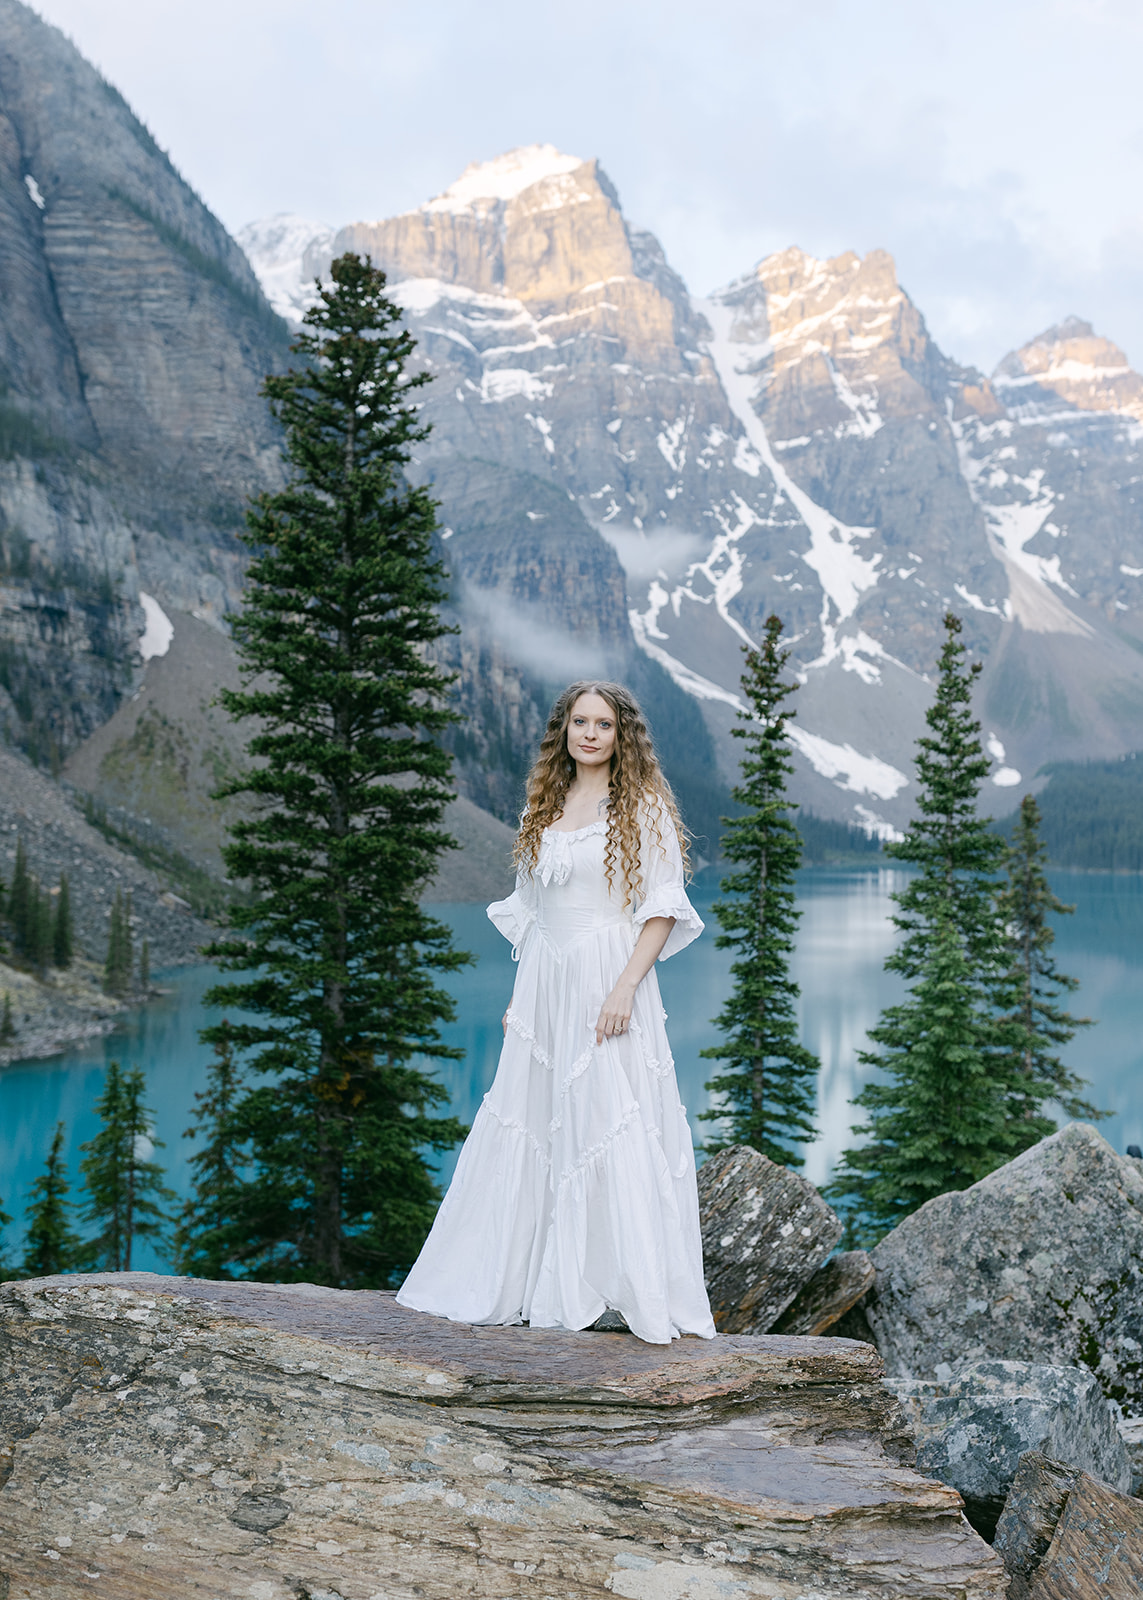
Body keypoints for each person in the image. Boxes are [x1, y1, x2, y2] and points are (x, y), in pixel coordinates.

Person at [397, 681, 716, 1344]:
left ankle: (617, 1286)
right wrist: (519, 1003)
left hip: (607, 972)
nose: (591, 733)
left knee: (611, 1120)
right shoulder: (543, 801)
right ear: (563, 730)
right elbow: (533, 911)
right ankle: (530, 1282)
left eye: (603, 724)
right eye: (580, 722)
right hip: (547, 982)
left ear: (620, 734)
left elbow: (660, 907)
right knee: (536, 1121)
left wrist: (625, 987)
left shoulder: (643, 804)